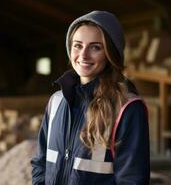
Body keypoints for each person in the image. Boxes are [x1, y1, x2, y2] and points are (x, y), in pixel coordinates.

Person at [31, 10, 150, 185]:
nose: (84, 55)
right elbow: (40, 163)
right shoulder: (56, 102)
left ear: (110, 54)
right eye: (77, 45)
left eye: (95, 47)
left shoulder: (126, 107)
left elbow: (132, 180)